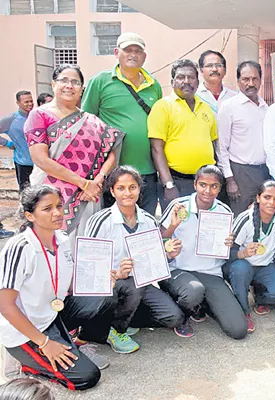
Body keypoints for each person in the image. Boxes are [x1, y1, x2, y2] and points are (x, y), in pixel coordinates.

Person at [0, 185, 103, 390]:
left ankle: (74, 343)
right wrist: (45, 343)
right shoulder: (20, 248)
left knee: (103, 297)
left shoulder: (62, 240)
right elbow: (5, 306)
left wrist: (103, 278)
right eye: (47, 209)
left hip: (51, 315)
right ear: (30, 215)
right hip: (24, 330)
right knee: (87, 376)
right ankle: (29, 365)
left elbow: (67, 283)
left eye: (58, 206)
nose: (57, 213)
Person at [84, 166, 185, 351]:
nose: (127, 193)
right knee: (131, 286)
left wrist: (168, 254)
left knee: (174, 317)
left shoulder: (148, 220)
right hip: (110, 285)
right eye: (121, 188)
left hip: (141, 282)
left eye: (132, 187)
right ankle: (114, 330)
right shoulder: (100, 221)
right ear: (112, 191)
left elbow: (154, 255)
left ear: (139, 189)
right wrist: (116, 274)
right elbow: (88, 265)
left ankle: (125, 316)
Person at [24, 64, 124, 241]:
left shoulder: (92, 121)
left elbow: (112, 150)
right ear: (53, 84)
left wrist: (97, 181)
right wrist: (83, 183)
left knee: (87, 245)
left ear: (82, 90)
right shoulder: (39, 115)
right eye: (64, 80)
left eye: (75, 82)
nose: (69, 86)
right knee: (53, 245)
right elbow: (41, 159)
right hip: (51, 193)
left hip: (89, 195)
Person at [159, 165, 249, 337]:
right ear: (195, 185)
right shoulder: (178, 206)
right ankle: (182, 311)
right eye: (203, 185)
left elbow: (226, 248)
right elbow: (159, 239)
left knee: (238, 330)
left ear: (220, 188)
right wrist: (173, 226)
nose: (208, 191)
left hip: (210, 272)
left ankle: (204, 305)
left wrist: (228, 243)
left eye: (214, 186)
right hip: (179, 270)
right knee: (193, 291)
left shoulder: (223, 211)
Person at [81, 32, 163, 215]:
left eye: (137, 51)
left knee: (145, 219)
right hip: (113, 170)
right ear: (117, 52)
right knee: (113, 221)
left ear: (144, 56)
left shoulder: (154, 85)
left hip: (147, 169)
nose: (132, 54)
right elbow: (87, 124)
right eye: (127, 50)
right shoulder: (101, 81)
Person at [148, 59, 218, 211]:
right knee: (178, 226)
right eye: (181, 77)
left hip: (205, 182)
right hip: (177, 182)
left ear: (197, 82)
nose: (186, 81)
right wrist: (168, 183)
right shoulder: (163, 107)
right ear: (173, 82)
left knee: (203, 226)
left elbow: (213, 144)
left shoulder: (205, 107)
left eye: (191, 77)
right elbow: (156, 149)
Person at [228, 180, 275, 323]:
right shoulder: (245, 218)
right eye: (267, 197)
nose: (272, 202)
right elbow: (227, 252)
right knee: (241, 269)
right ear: (258, 198)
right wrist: (244, 253)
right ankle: (243, 309)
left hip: (265, 266)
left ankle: (259, 297)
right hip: (241, 264)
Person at [217, 60, 270, 216]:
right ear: (238, 81)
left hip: (263, 172)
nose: (250, 83)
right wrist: (230, 179)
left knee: (261, 215)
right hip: (240, 173)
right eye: (246, 79)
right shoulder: (229, 107)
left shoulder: (265, 107)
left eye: (255, 79)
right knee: (241, 217)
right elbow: (221, 146)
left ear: (261, 80)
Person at [1, 91, 34, 191]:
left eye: (31, 101)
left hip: (40, 163)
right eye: (26, 102)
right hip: (23, 163)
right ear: (18, 103)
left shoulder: (36, 116)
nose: (30, 104)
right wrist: (7, 143)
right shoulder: (11, 119)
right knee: (26, 193)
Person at [196, 50, 237, 118]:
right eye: (209, 65)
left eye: (218, 65)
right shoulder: (194, 96)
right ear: (201, 70)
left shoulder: (234, 97)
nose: (214, 69)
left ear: (225, 70)